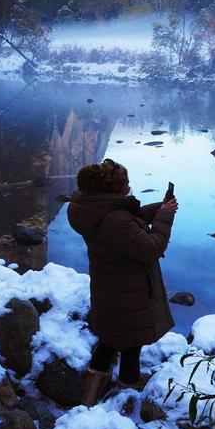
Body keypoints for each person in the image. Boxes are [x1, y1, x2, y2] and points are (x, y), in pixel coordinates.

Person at [66, 158, 178, 405]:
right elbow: (151, 247)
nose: (129, 186)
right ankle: (128, 387)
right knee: (131, 340)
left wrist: (159, 209)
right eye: (125, 183)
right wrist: (164, 219)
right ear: (113, 189)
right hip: (130, 290)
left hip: (108, 286)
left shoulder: (87, 208)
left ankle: (93, 386)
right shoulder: (114, 219)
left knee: (109, 335)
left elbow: (128, 222)